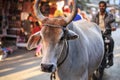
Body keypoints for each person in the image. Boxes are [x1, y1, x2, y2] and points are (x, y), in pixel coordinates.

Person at [92, 1, 116, 66]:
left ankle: (110, 57)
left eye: (103, 6)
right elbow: (92, 24)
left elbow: (112, 23)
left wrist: (113, 27)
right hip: (97, 34)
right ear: (99, 7)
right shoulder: (95, 15)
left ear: (105, 7)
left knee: (111, 41)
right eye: (100, 6)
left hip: (106, 34)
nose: (101, 7)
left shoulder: (110, 15)